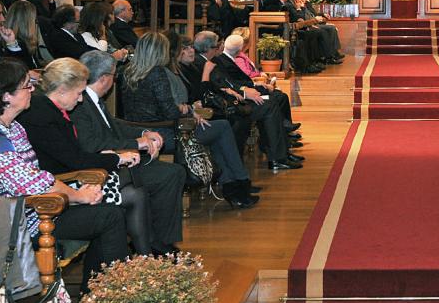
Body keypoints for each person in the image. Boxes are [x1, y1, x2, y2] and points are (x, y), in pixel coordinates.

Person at [0, 58, 128, 292]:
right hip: (4, 224)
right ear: (6, 96)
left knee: (109, 214)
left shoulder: (12, 127)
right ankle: (104, 301)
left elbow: (37, 174)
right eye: (26, 85)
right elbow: (30, 183)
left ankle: (97, 299)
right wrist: (78, 196)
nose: (33, 89)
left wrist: (77, 194)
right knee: (109, 217)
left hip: (28, 212)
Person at [19, 57, 154, 254]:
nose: (81, 99)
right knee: (129, 184)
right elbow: (75, 160)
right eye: (79, 93)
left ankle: (143, 259)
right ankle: (137, 263)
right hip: (60, 188)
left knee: (134, 193)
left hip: (71, 179)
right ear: (63, 89)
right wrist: (117, 158)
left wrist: (110, 156)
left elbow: (74, 156)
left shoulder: (51, 110)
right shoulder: (42, 117)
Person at [120, 32, 259, 208]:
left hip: (140, 132)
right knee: (222, 127)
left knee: (217, 131)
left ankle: (234, 186)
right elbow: (170, 111)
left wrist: (186, 110)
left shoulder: (127, 72)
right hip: (167, 134)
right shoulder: (157, 73)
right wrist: (187, 110)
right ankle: (238, 184)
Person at [72, 50, 185, 255]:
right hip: (103, 167)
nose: (114, 81)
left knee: (171, 173)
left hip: (118, 159)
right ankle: (158, 243)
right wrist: (137, 143)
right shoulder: (79, 104)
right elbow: (93, 143)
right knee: (169, 175)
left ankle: (158, 240)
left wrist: (144, 132)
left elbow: (113, 125)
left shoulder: (91, 98)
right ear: (105, 78)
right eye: (114, 76)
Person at [210, 34, 303, 170]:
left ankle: (282, 151)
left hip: (238, 97)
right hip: (230, 104)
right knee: (270, 103)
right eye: (218, 45)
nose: (220, 47)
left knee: (274, 100)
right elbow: (224, 85)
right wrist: (245, 92)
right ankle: (278, 156)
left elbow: (229, 83)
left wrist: (247, 89)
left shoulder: (215, 61)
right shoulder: (214, 62)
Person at [3, 0, 46, 70]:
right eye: (35, 20)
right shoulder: (14, 46)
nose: (36, 24)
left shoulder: (26, 40)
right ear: (27, 23)